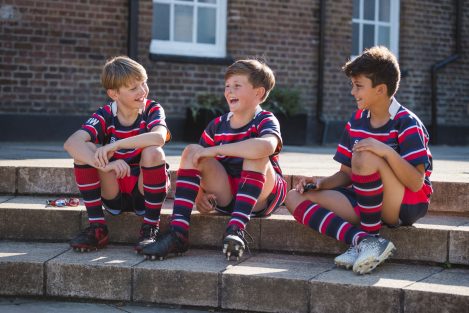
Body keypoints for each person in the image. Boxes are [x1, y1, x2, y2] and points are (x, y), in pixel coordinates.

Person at [285, 46, 432, 274]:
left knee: (365, 155)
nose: (353, 92)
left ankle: (372, 237)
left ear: (381, 89)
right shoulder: (356, 121)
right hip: (367, 199)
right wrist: (321, 183)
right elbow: (347, 174)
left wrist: (385, 151)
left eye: (359, 86)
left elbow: (416, 182)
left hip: (404, 204)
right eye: (352, 85)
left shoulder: (407, 122)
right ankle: (362, 240)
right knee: (294, 197)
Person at [143, 59, 287, 261]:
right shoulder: (217, 125)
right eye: (227, 86)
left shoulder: (265, 119)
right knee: (193, 150)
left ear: (259, 93)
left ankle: (236, 230)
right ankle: (178, 232)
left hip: (261, 195)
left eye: (237, 86)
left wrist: (215, 150)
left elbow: (266, 146)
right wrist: (200, 193)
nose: (229, 91)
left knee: (256, 153)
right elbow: (198, 159)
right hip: (226, 193)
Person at [64, 56, 171, 253]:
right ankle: (98, 227)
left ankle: (150, 228)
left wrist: (116, 146)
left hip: (143, 189)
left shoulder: (152, 108)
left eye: (144, 83)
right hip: (113, 187)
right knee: (83, 152)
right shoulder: (106, 114)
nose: (142, 91)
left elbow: (159, 137)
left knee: (154, 152)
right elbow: (71, 143)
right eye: (133, 88)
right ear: (114, 94)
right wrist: (107, 165)